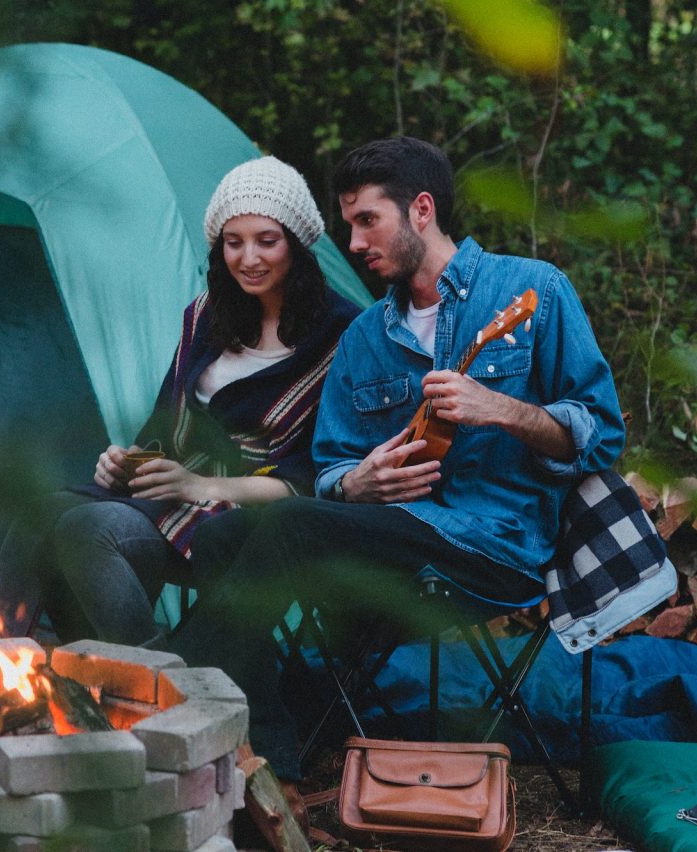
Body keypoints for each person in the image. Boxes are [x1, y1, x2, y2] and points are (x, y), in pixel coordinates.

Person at [169, 136, 626, 793]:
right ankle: (271, 750)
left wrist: (501, 408)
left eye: (367, 221)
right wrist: (355, 482)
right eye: (348, 224)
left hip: (493, 546)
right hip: (389, 543)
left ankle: (176, 688)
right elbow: (331, 465)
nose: (353, 243)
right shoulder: (364, 337)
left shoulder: (534, 290)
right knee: (220, 534)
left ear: (420, 210)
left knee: (292, 523)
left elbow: (602, 434)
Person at [0, 156, 359, 646]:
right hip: (169, 496)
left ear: (298, 242)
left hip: (246, 521)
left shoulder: (342, 335)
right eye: (233, 242)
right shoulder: (207, 315)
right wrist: (125, 464)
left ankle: (162, 676)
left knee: (88, 527)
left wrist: (197, 484)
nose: (248, 258)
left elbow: (308, 481)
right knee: (38, 513)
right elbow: (162, 431)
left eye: (267, 241)